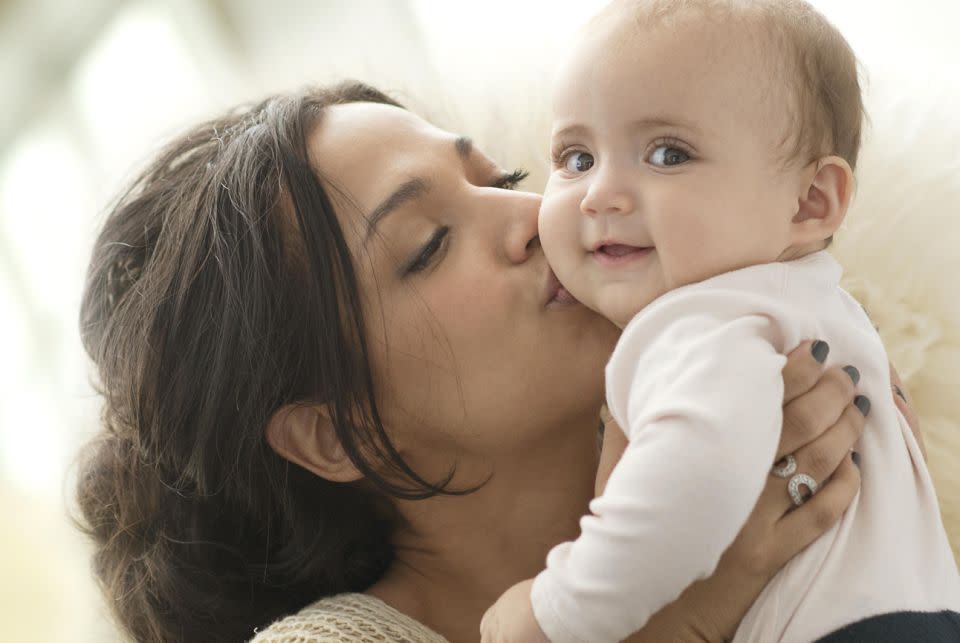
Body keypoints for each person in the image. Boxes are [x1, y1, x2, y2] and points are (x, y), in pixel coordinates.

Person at [74, 80, 915, 643]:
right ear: (334, 431)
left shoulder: (753, 402)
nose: (532, 216)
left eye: (504, 176)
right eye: (430, 244)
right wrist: (685, 619)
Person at [479, 1, 960, 642]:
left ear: (809, 202)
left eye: (669, 154)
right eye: (576, 158)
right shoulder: (814, 310)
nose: (598, 194)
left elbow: (692, 481)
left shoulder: (702, 317)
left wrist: (554, 614)